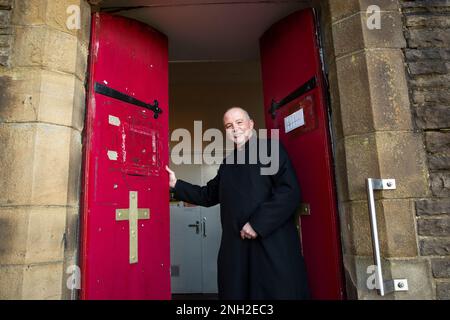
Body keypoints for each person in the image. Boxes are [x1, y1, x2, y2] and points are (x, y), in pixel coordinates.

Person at [165, 107, 309, 300]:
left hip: (271, 244)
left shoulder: (271, 150)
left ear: (251, 124)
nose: (235, 129)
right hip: (236, 249)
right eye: (229, 125)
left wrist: (257, 224)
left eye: (239, 122)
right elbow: (208, 195)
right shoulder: (227, 164)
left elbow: (289, 192)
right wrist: (176, 184)